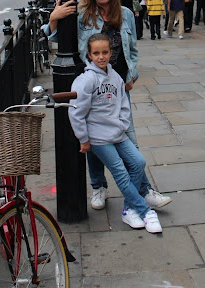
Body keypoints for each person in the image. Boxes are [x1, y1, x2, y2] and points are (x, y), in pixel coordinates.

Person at [43, 0, 171, 212]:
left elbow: (131, 50)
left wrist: (131, 75)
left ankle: (144, 191)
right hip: (94, 89)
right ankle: (98, 186)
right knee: (94, 141)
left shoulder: (125, 14)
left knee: (128, 139)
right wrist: (54, 18)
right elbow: (56, 38)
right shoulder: (83, 16)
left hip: (120, 88)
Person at [69, 34, 162, 233]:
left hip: (118, 133)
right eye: (96, 53)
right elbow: (76, 111)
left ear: (111, 53)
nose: (101, 57)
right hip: (98, 138)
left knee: (138, 163)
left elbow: (123, 103)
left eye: (105, 52)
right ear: (89, 55)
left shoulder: (115, 76)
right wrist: (84, 139)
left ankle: (129, 209)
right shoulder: (86, 80)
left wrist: (121, 124)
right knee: (120, 172)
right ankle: (145, 211)